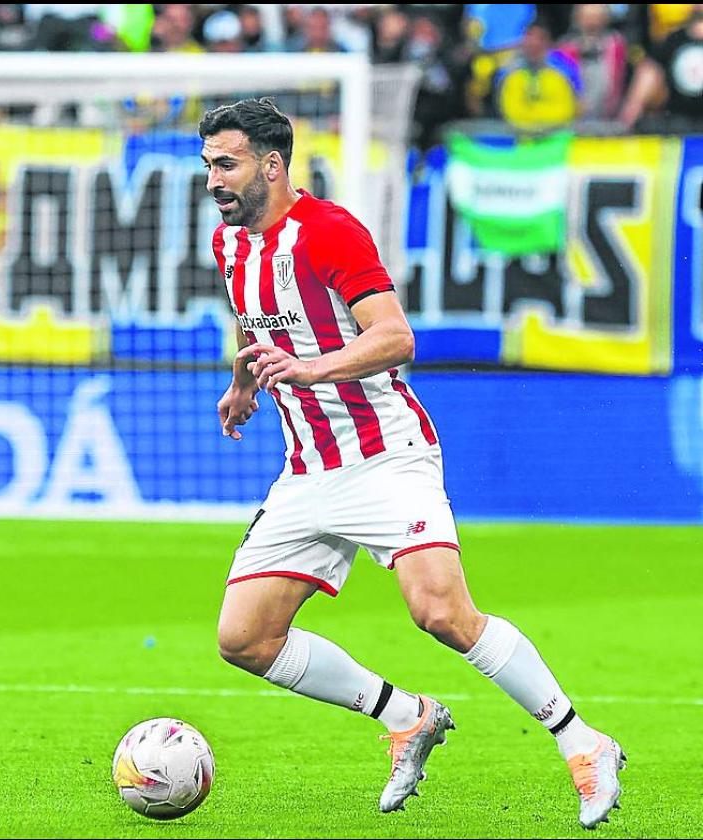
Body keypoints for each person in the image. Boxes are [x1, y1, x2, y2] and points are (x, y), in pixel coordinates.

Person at [200, 97, 625, 830]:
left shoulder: (330, 232)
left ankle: (584, 743)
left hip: (385, 457)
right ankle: (407, 716)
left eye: (226, 164)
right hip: (307, 470)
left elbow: (396, 338)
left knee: (441, 612)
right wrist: (244, 381)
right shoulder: (230, 244)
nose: (214, 180)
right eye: (208, 165)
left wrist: (312, 368)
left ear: (271, 165)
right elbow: (256, 320)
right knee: (244, 639)